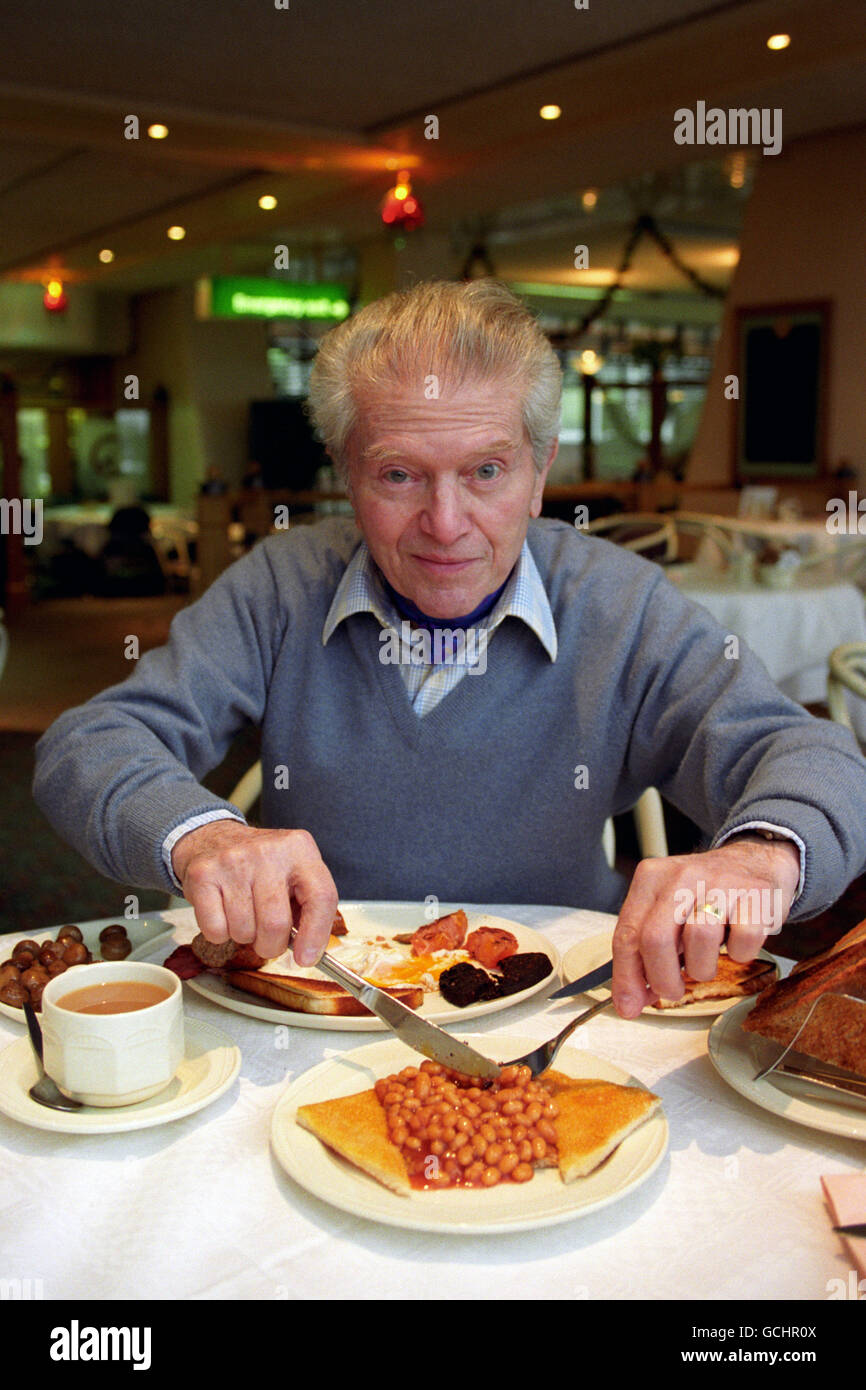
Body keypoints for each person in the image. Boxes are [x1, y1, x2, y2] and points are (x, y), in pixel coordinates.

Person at [33, 280, 866, 1018]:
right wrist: (202, 836)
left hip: (567, 1007)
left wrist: (760, 857)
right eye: (399, 475)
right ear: (345, 470)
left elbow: (805, 751)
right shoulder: (283, 586)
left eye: (487, 471)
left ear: (539, 472)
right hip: (324, 999)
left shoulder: (620, 605)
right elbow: (88, 745)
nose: (445, 523)